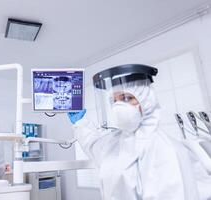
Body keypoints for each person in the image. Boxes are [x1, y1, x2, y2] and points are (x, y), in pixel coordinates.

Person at [68, 64, 211, 200]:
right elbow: (95, 147)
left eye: (126, 98)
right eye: (114, 101)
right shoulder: (115, 142)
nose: (118, 106)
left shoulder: (166, 150)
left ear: (146, 101)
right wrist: (80, 122)